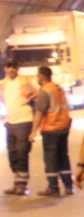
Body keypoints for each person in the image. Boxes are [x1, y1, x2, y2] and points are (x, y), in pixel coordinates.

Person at [0, 58, 36, 195]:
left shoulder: (24, 80)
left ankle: (22, 185)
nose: (11, 69)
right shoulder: (3, 84)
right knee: (12, 154)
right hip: (10, 122)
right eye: (9, 67)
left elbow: (37, 92)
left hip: (24, 120)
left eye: (14, 67)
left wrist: (26, 101)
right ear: (5, 69)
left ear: (18, 69)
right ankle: (16, 181)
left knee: (21, 152)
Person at [30, 66, 73, 196]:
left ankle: (53, 188)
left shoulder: (45, 91)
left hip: (51, 128)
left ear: (41, 76)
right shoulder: (58, 87)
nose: (37, 78)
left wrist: (33, 132)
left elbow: (39, 113)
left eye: (37, 76)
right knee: (63, 156)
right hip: (63, 127)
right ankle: (68, 186)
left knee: (50, 159)